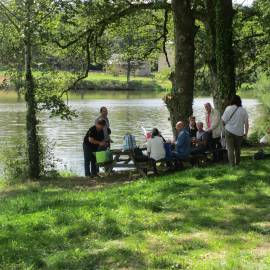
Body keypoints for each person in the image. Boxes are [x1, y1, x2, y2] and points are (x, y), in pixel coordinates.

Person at [222, 95, 249, 166]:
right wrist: (246, 133)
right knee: (238, 149)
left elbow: (223, 121)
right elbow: (246, 123)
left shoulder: (228, 108)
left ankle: (232, 165)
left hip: (229, 131)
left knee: (230, 149)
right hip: (239, 133)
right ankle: (237, 163)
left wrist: (225, 127)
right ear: (240, 101)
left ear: (232, 101)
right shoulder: (243, 110)